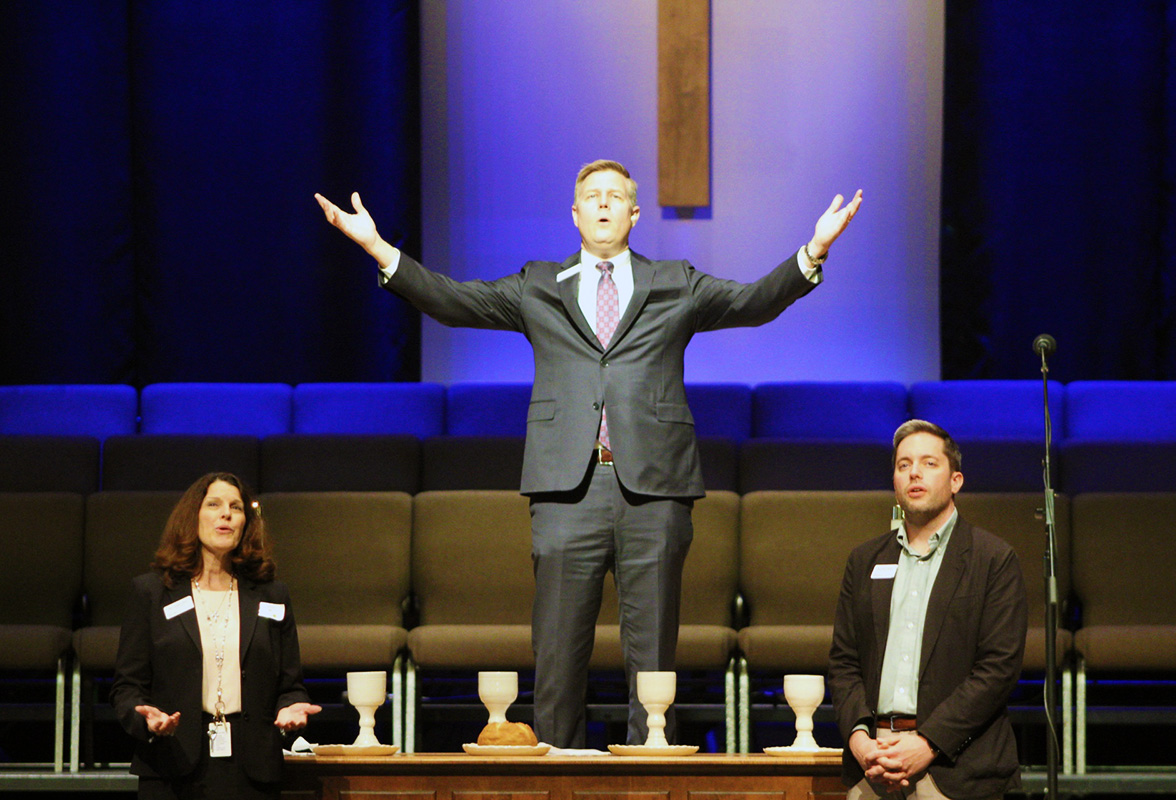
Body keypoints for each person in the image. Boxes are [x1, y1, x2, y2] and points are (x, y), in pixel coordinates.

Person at [316, 159, 862, 747]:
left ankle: (650, 778)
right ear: (574, 214)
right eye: (591, 197)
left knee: (652, 659)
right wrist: (378, 248)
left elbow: (752, 302)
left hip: (654, 490)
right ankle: (557, 777)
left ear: (633, 212)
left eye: (614, 196)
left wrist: (813, 251)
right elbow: (454, 301)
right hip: (564, 489)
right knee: (556, 655)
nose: (603, 205)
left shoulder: (675, 281)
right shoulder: (538, 286)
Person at [827, 420, 1027, 800]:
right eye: (904, 465)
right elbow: (843, 662)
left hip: (952, 764)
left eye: (929, 463)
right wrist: (859, 740)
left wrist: (927, 744)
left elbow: (998, 668)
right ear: (895, 482)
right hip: (873, 761)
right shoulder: (864, 559)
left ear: (956, 481)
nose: (914, 472)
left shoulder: (993, 558)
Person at [111, 472, 321, 799]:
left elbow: (290, 685)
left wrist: (293, 708)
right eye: (214, 504)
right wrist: (147, 721)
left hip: (251, 766)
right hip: (173, 761)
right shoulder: (151, 593)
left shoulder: (272, 595)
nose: (226, 514)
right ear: (191, 516)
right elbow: (128, 686)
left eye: (235, 508)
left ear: (245, 523)